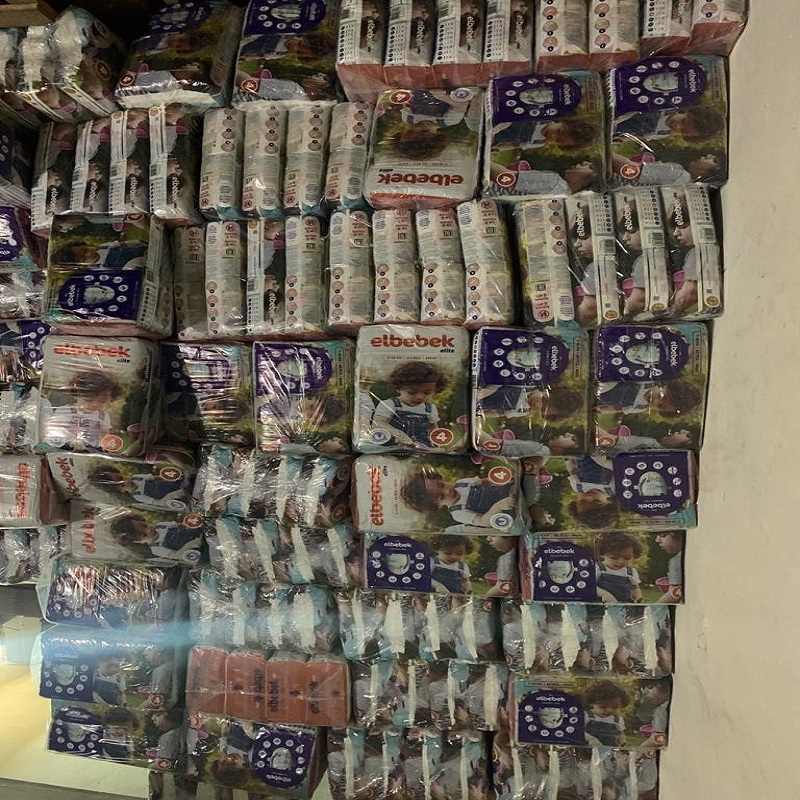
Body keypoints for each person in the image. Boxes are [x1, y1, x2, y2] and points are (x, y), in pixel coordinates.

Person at [400, 470, 513, 528]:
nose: (447, 491)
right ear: (438, 506)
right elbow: (484, 521)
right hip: (507, 509)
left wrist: (504, 478)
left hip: (510, 489)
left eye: (442, 485)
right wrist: (499, 506)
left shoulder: (462, 483)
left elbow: (486, 481)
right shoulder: (458, 513)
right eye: (441, 497)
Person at [40, 370, 121, 451]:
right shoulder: (66, 411)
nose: (95, 404)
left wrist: (107, 443)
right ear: (77, 393)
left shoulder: (103, 416)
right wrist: (69, 441)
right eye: (89, 400)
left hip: (94, 451)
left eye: (101, 401)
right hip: (68, 449)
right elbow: (55, 431)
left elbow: (104, 434)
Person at [370, 361, 446, 448]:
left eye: (427, 393)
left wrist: (436, 441)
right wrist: (399, 434)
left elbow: (433, 428)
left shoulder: (430, 408)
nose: (420, 397)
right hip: (394, 446)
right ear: (398, 388)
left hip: (421, 447)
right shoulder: (389, 404)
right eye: (412, 392)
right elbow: (378, 423)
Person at [566, 456, 620, 529]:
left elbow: (572, 469)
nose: (589, 497)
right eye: (596, 501)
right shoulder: (614, 487)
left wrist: (568, 458)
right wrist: (606, 463)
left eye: (583, 501)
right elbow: (621, 468)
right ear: (610, 502)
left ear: (576, 502)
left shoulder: (577, 487)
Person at [596, 532, 643, 603]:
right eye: (614, 557)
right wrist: (603, 593)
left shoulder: (630, 572)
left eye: (627, 558)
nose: (620, 561)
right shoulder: (597, 568)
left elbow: (635, 587)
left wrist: (637, 596)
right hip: (602, 606)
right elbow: (590, 586)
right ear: (602, 554)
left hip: (624, 606)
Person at [583, 680, 629, 747]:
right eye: (603, 707)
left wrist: (622, 740)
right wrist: (591, 739)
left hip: (610, 749)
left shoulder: (618, 719)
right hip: (589, 748)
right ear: (592, 703)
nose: (609, 710)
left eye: (615, 707)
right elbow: (578, 732)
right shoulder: (585, 716)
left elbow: (621, 733)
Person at [655, 531, 684, 602]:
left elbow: (674, 594)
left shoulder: (676, 561)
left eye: (662, 535)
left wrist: (655, 606)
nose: (657, 540)